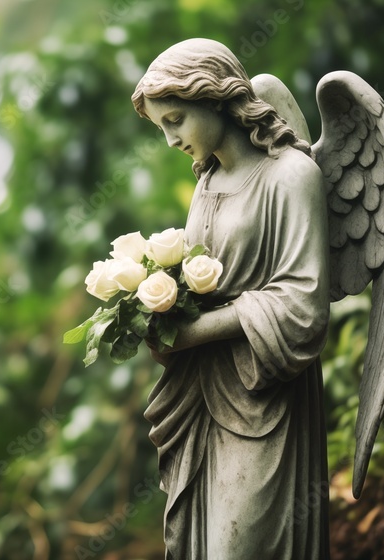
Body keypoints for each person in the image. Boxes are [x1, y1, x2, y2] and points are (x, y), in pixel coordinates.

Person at [132, 38, 331, 559]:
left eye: (175, 119)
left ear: (216, 99)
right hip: (202, 392)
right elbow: (206, 284)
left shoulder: (291, 176)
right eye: (162, 128)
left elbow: (303, 307)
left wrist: (192, 332)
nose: (171, 139)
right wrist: (159, 311)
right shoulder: (207, 183)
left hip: (264, 393)